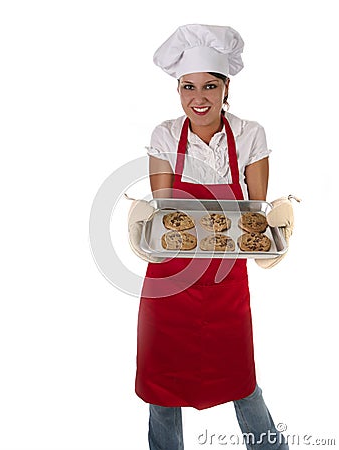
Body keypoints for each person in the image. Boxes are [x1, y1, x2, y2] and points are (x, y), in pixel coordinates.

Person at [128, 24, 297, 450]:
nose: (197, 98)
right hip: (171, 276)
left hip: (226, 277)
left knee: (240, 379)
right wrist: (143, 228)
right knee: (162, 384)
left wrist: (276, 230)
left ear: (226, 88)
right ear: (178, 91)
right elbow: (167, 211)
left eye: (209, 86)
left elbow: (254, 213)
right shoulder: (165, 135)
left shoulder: (249, 133)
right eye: (188, 87)